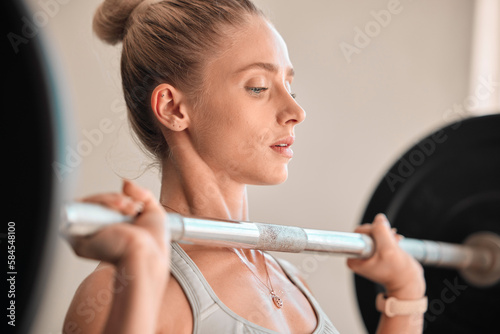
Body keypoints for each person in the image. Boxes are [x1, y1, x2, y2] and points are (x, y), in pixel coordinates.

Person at [63, 0, 426, 333]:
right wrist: (138, 273)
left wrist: (405, 296)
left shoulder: (290, 280)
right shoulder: (114, 291)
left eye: (289, 87)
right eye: (258, 87)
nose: (296, 112)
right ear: (173, 109)